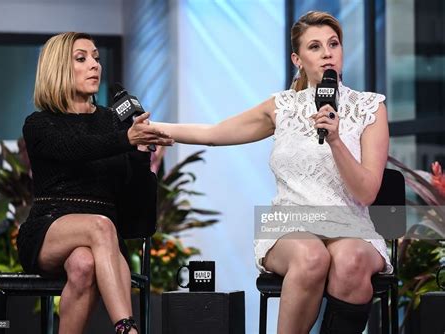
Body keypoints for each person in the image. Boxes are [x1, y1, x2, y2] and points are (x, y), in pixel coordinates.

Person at [151, 11, 391, 334]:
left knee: (351, 261)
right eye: (315, 47)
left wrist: (334, 140)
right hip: (289, 224)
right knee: (312, 257)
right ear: (297, 58)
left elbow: (367, 192)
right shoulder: (282, 107)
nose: (327, 54)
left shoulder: (370, 108)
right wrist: (154, 128)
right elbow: (213, 133)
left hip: (350, 223)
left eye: (333, 44)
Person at [16, 32, 173, 334]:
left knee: (84, 264)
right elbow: (76, 149)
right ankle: (127, 328)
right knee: (99, 226)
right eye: (82, 58)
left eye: (97, 58)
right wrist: (125, 138)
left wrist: (140, 154)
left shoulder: (113, 122)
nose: (94, 65)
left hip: (105, 237)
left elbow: (133, 202)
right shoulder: (39, 123)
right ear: (58, 68)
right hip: (51, 226)